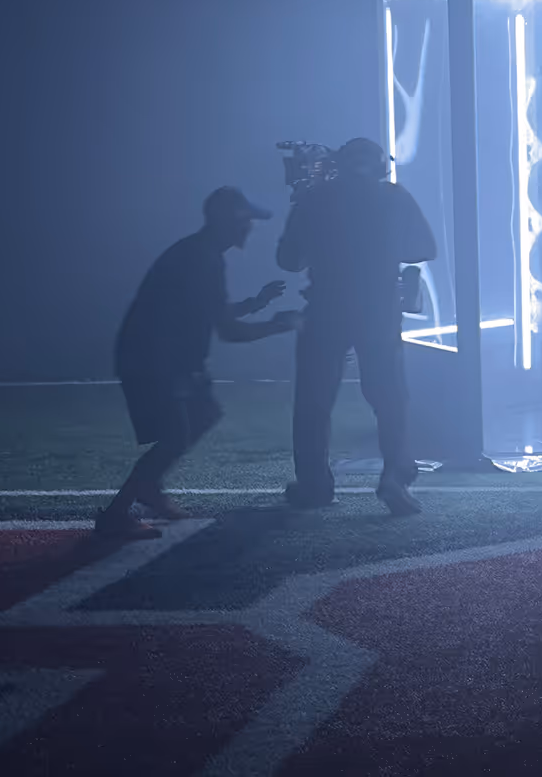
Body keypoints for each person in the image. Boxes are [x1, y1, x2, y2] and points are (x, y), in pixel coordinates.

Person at [100, 187, 298, 540]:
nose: (250, 228)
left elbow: (212, 313)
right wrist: (282, 324)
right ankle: (117, 513)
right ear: (231, 223)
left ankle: (150, 488)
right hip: (155, 360)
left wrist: (256, 302)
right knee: (177, 433)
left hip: (162, 356)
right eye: (247, 221)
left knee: (203, 414)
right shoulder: (203, 259)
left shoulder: (199, 253)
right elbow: (229, 332)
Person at [277, 136, 437, 514]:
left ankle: (315, 486)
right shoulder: (393, 197)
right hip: (378, 310)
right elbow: (424, 249)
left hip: (325, 310)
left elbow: (288, 260)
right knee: (390, 398)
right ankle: (395, 478)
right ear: (381, 167)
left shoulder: (316, 200)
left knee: (314, 402)